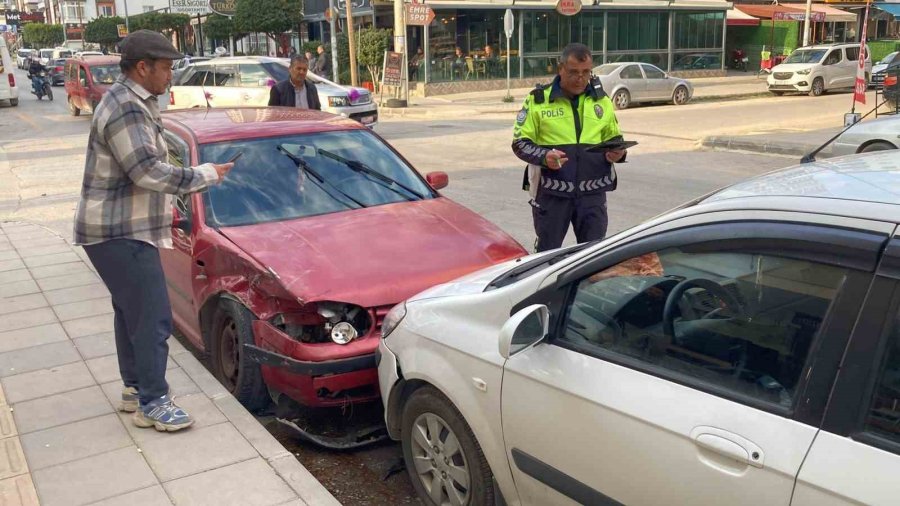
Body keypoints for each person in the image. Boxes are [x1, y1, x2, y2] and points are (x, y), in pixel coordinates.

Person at [73, 30, 234, 432]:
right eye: (165, 67)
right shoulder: (126, 107)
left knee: (131, 311)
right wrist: (204, 175)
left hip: (120, 228)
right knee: (152, 316)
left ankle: (135, 387)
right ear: (142, 67)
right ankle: (153, 401)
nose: (170, 75)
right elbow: (146, 171)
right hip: (119, 231)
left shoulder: (135, 101)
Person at [512, 43, 627, 253]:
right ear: (561, 69)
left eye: (586, 72)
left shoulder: (601, 101)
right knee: (547, 256)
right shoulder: (538, 100)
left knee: (594, 257)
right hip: (552, 194)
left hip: (593, 194)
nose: (580, 78)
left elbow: (614, 138)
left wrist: (618, 153)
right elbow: (520, 143)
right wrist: (544, 155)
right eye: (573, 72)